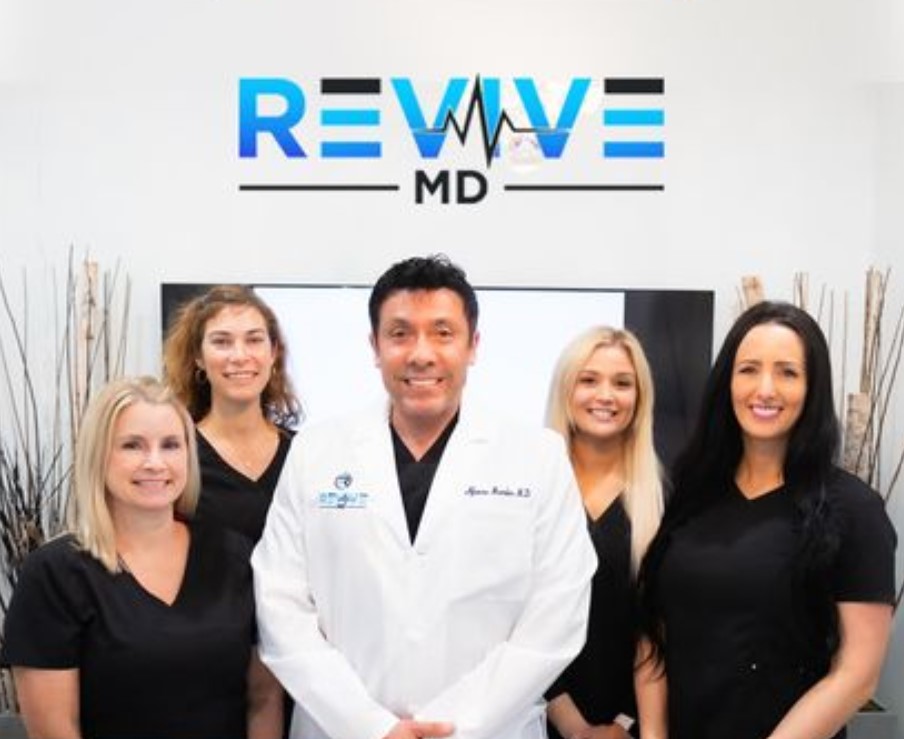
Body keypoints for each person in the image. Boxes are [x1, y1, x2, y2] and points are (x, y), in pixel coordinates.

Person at [252, 254, 597, 739]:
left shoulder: (537, 456)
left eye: (442, 333)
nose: (421, 354)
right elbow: (281, 606)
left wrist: (455, 726)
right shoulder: (316, 452)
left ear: (473, 345)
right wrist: (371, 726)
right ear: (374, 346)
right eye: (399, 334)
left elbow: (556, 615)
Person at [638, 301, 897, 739]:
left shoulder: (855, 509)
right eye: (749, 370)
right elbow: (654, 631)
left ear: (813, 388)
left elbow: (856, 676)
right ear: (727, 381)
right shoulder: (689, 495)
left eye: (787, 372)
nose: (765, 389)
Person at [1, 376, 283, 739]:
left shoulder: (236, 558)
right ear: (98, 456)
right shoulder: (55, 574)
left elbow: (264, 698)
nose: (155, 463)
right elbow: (55, 731)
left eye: (171, 445)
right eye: (132, 446)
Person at [544, 326, 666, 739]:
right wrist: (573, 726)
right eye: (589, 380)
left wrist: (626, 725)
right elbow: (510, 620)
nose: (606, 395)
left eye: (622, 383)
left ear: (640, 397)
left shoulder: (665, 501)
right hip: (537, 718)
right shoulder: (531, 489)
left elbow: (658, 632)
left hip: (631, 726)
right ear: (566, 389)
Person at [163, 284, 301, 543]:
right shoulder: (178, 456)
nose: (239, 356)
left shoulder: (303, 454)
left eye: (254, 340)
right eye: (222, 342)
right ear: (198, 356)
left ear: (273, 352)